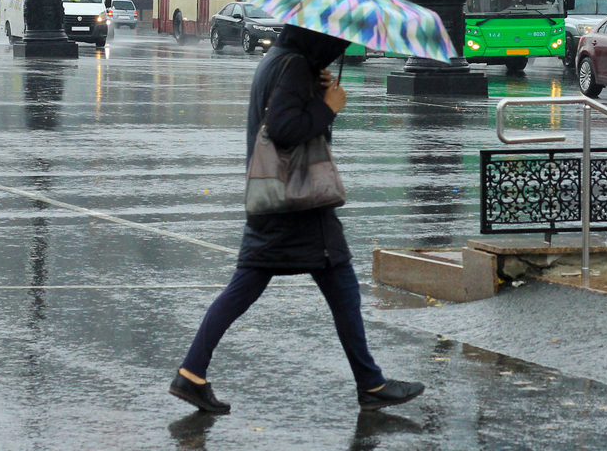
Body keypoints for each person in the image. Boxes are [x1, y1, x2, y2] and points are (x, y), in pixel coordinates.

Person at [170, 25, 425, 413]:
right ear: (318, 38)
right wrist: (329, 106)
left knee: (268, 287)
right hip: (299, 202)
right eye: (335, 41)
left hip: (278, 198)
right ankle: (370, 385)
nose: (339, 47)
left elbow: (291, 125)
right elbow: (286, 130)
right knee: (338, 287)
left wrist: (319, 95)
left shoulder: (278, 60)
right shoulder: (293, 67)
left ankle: (191, 373)